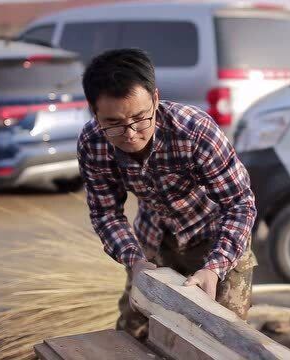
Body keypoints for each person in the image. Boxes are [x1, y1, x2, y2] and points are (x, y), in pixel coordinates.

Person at [77, 48, 257, 341]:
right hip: (153, 240)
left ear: (156, 99)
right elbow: (106, 213)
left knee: (222, 340)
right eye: (114, 123)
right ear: (95, 114)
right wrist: (134, 261)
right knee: (133, 334)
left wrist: (214, 267)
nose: (131, 133)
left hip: (217, 238)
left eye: (140, 117)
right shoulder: (92, 142)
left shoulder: (195, 130)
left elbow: (240, 204)